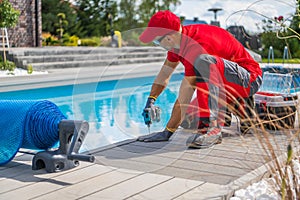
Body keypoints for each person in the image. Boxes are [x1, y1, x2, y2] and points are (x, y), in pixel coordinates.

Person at [137, 10, 262, 148]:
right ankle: (240, 108)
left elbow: (185, 93)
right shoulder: (178, 44)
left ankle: (212, 129)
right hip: (228, 80)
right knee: (188, 121)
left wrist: (167, 132)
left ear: (169, 38)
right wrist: (151, 100)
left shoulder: (196, 46)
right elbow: (164, 75)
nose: (157, 45)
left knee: (203, 63)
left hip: (249, 79)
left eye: (156, 41)